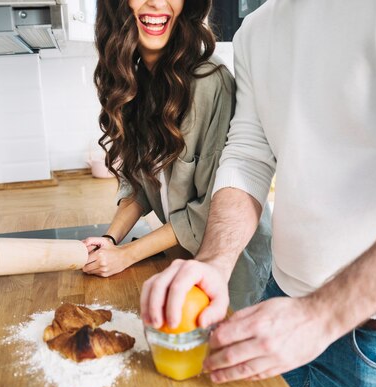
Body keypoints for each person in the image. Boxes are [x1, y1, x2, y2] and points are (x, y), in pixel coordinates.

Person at [140, 1, 376, 387]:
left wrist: (319, 316)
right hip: (283, 299)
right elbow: (249, 154)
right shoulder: (256, 29)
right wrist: (214, 259)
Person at [83, 0, 273, 311]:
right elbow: (139, 185)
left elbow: (208, 209)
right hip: (184, 259)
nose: (157, 2)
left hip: (234, 268)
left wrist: (127, 256)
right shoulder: (134, 83)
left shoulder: (210, 83)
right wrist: (111, 239)